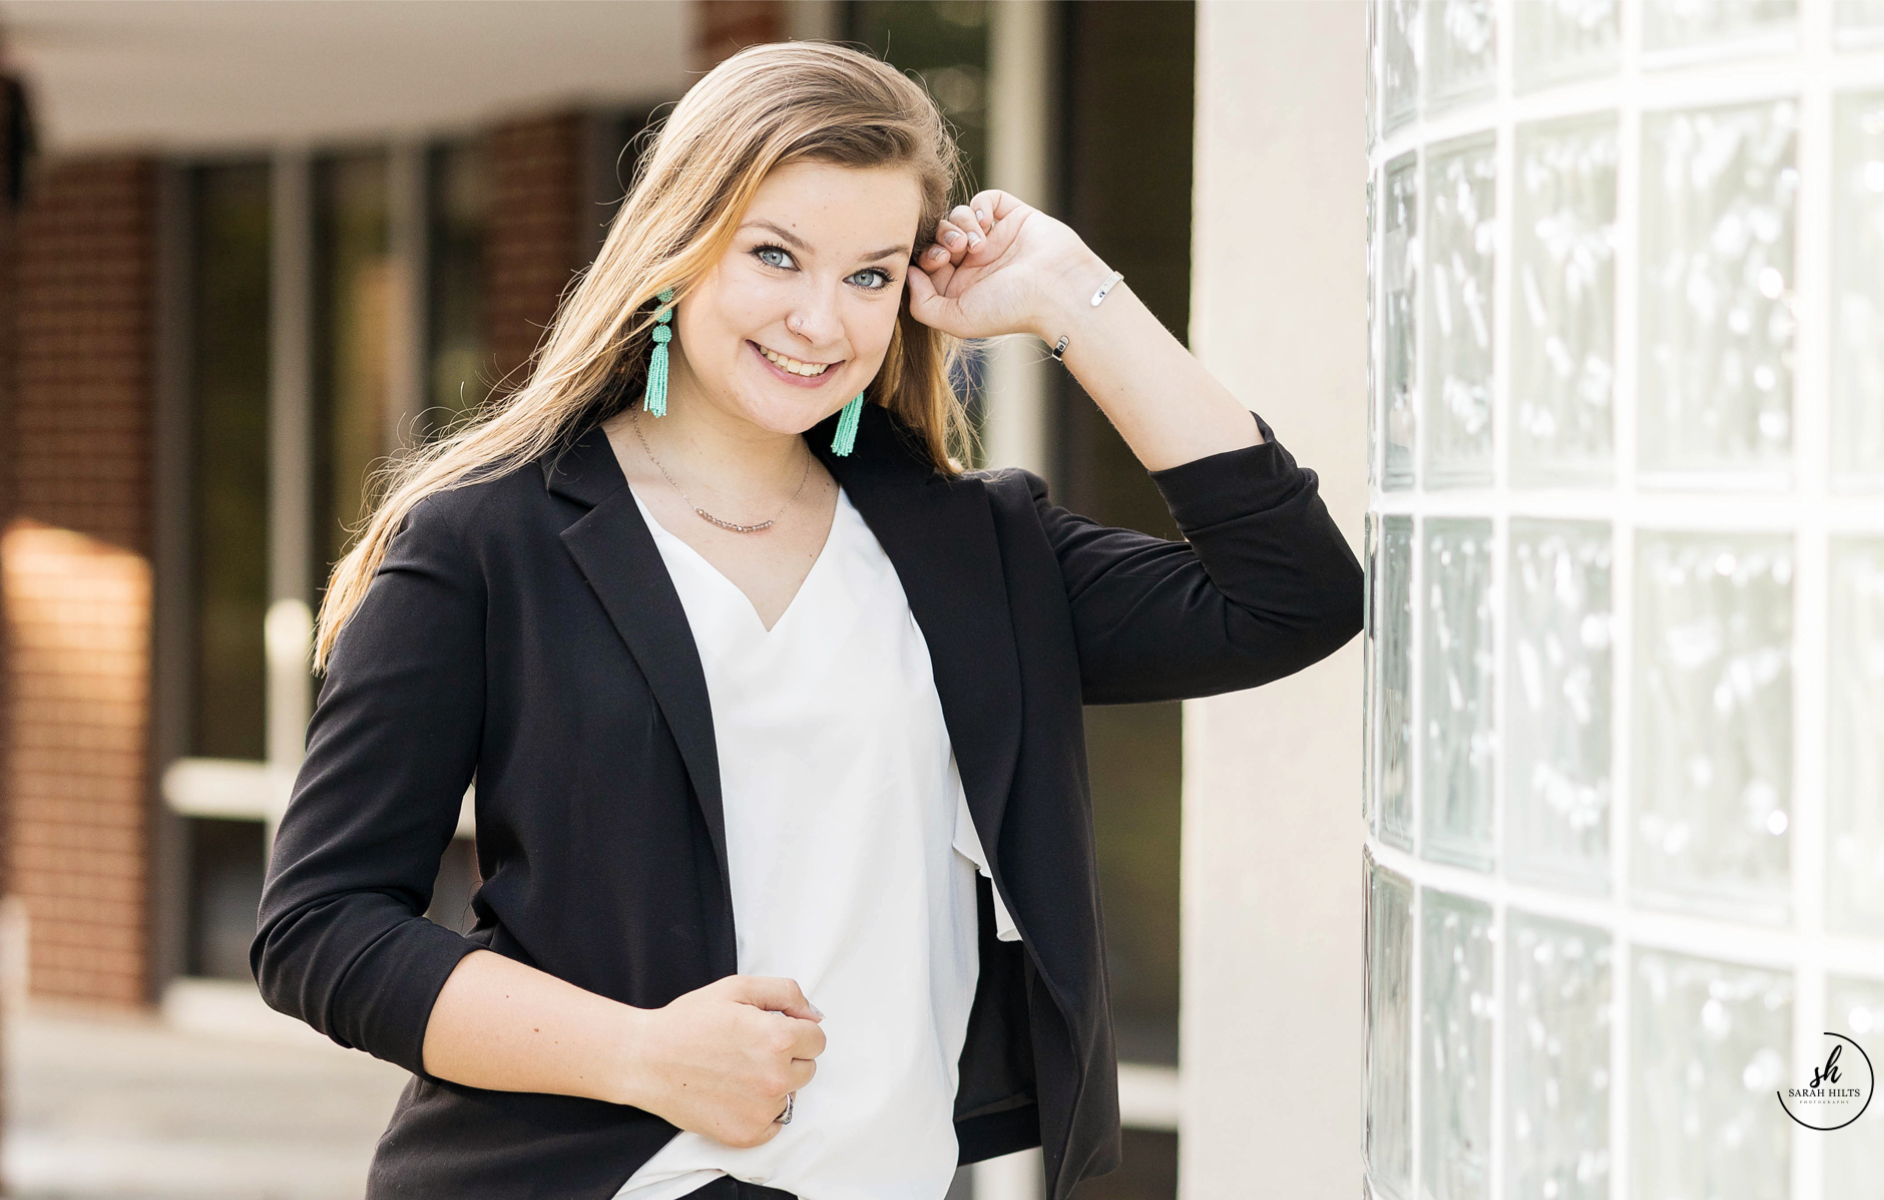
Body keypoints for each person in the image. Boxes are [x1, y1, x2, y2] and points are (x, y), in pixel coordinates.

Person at [253, 40, 1362, 1200]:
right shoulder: (490, 541)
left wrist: (1069, 290)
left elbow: (1291, 597)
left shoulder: (968, 553)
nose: (821, 322)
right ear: (680, 251)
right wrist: (642, 1055)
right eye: (775, 255)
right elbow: (321, 928)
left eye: (871, 275)